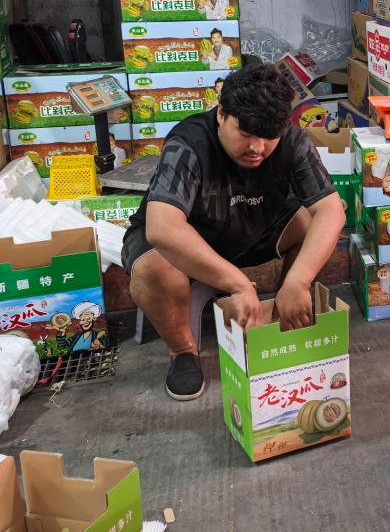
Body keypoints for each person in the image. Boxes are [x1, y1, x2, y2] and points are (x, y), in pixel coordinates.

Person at [122, 65, 345, 401]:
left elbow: (331, 210)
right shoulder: (189, 143)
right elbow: (163, 227)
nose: (257, 147)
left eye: (269, 137)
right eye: (246, 133)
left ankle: (283, 320)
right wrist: (239, 284)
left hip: (255, 227)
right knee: (153, 267)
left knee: (314, 225)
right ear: (221, 114)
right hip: (191, 239)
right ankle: (182, 351)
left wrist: (297, 281)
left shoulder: (292, 141)